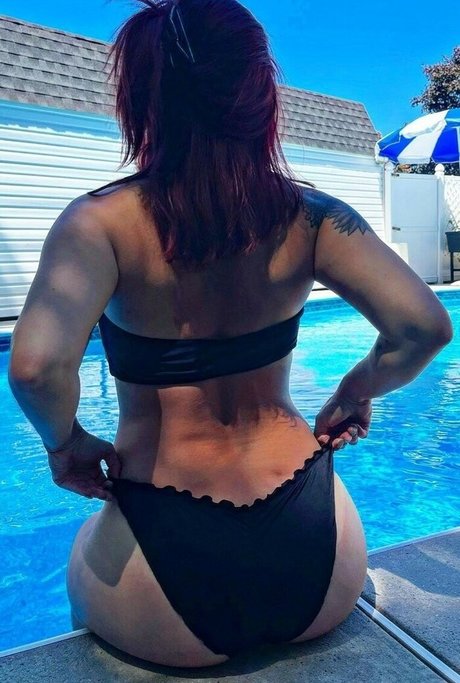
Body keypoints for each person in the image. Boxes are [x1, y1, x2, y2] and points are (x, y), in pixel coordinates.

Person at [8, 0, 453, 669]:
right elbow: (423, 327)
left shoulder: (98, 224)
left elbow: (36, 368)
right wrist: (357, 388)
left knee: (82, 570)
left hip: (158, 584)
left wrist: (65, 444)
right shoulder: (312, 216)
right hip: (320, 560)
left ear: (142, 100)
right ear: (259, 97)